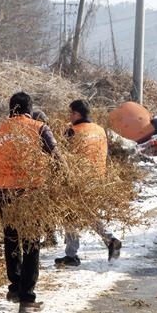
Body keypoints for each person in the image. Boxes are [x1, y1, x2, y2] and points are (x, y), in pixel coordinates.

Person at [0, 91, 62, 313]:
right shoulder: (39, 128)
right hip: (31, 193)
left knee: (11, 238)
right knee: (31, 243)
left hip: (4, 192)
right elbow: (57, 157)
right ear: (29, 110)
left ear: (10, 109)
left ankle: (14, 286)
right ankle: (27, 298)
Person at [54, 99, 122, 267]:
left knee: (70, 215)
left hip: (77, 179)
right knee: (88, 213)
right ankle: (108, 240)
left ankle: (73, 254)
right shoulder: (100, 130)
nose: (69, 116)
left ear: (77, 114)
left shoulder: (72, 131)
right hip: (97, 178)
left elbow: (63, 157)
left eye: (71, 113)